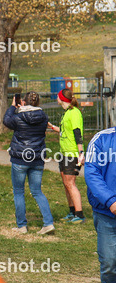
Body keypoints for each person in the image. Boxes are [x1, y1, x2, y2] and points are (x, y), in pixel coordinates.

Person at [3, 91, 54, 235]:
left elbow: (6, 120)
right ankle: (48, 223)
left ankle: (22, 226)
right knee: (37, 191)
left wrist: (13, 106)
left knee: (19, 192)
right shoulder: (44, 117)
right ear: (38, 103)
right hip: (37, 158)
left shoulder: (18, 117)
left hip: (20, 158)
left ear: (23, 102)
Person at [84, 125, 116, 283]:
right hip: (106, 212)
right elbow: (92, 172)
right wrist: (111, 201)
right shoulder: (101, 139)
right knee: (110, 259)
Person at [49, 88, 85, 222]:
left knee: (71, 183)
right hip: (64, 153)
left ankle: (80, 214)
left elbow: (77, 133)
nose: (56, 98)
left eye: (58, 96)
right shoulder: (67, 113)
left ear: (62, 99)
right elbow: (64, 131)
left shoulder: (74, 113)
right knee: (66, 183)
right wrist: (52, 127)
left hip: (72, 153)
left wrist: (81, 153)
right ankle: (72, 211)